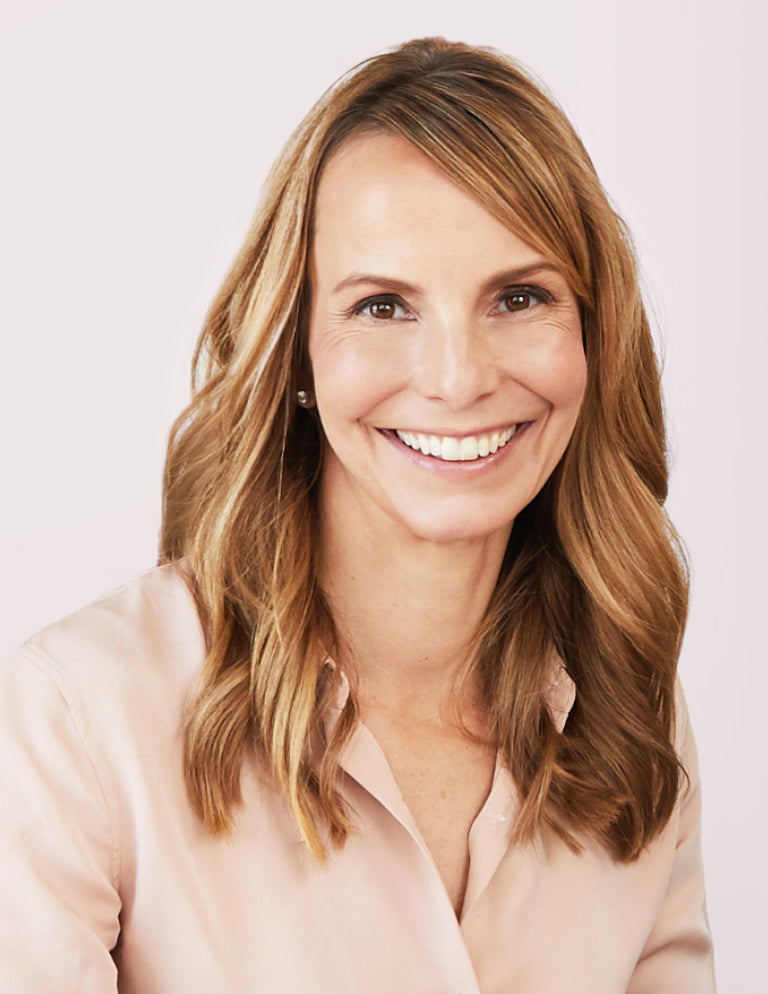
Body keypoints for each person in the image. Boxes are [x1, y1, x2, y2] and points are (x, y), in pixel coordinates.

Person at [0, 37, 715, 993]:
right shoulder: (78, 721)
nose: (458, 379)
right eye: (383, 306)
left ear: (594, 335)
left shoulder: (632, 715)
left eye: (519, 296)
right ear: (295, 348)